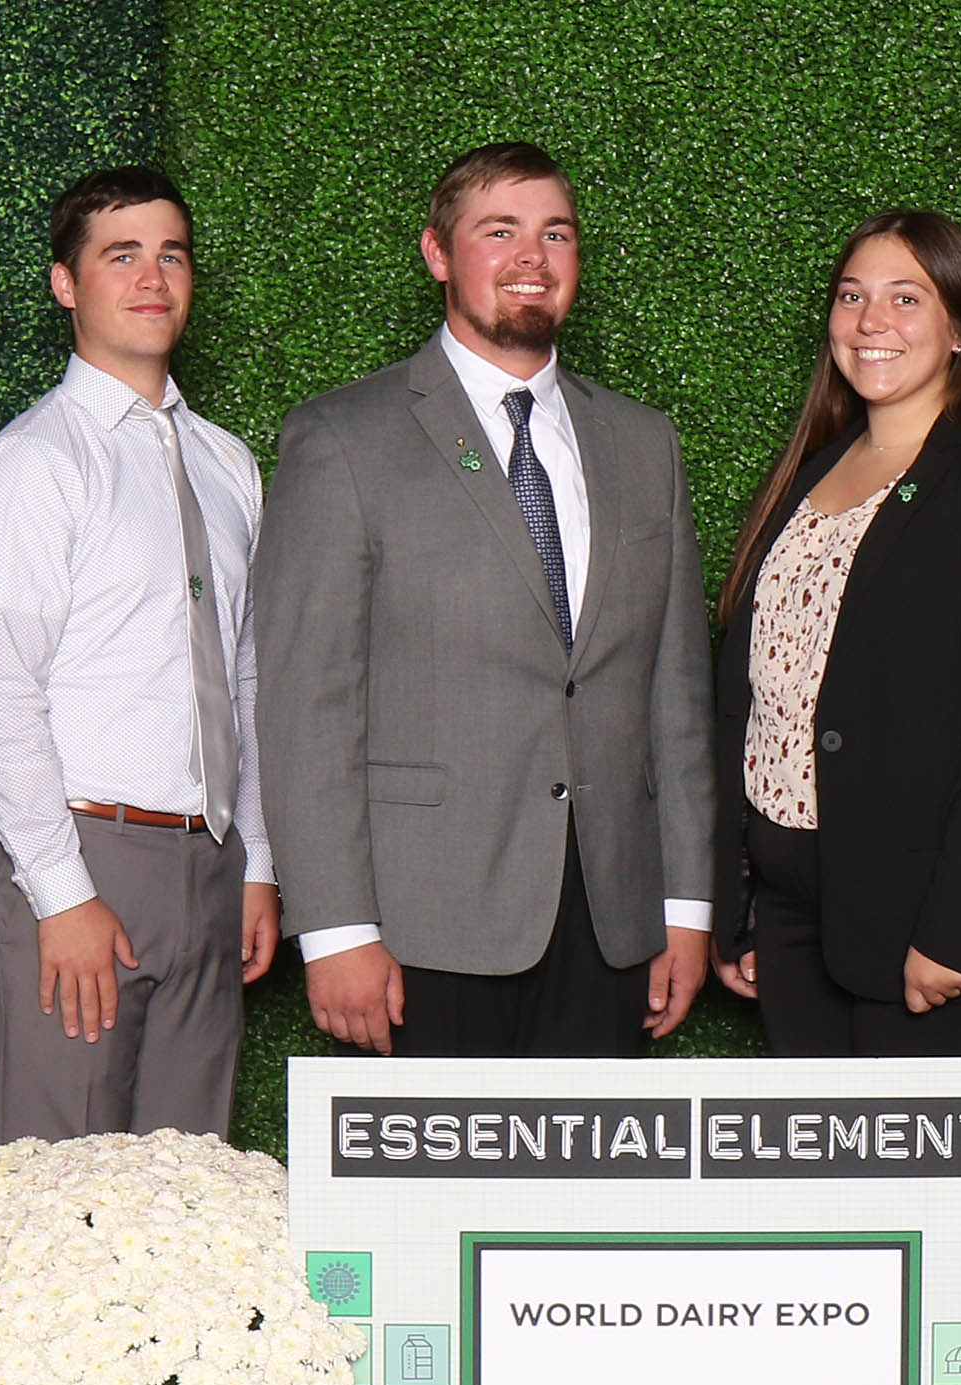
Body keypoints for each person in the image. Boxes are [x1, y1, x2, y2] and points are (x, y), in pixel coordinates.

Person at [253, 142, 715, 1058]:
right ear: (437, 253)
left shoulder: (641, 441)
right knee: (436, 1204)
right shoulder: (342, 437)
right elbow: (307, 703)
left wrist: (686, 906)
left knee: (591, 1202)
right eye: (498, 231)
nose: (531, 257)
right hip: (423, 923)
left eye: (556, 233)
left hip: (614, 922)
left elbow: (677, 696)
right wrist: (338, 930)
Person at [709, 211, 961, 1055]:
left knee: (938, 1195)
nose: (871, 322)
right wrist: (739, 897)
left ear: (960, 328)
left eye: (905, 298)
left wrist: (956, 932)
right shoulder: (812, 472)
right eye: (852, 296)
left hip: (942, 940)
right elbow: (756, 700)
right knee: (826, 1186)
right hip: (799, 925)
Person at [0, 167, 277, 1144]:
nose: (152, 277)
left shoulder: (226, 462)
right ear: (66, 284)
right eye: (120, 254)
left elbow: (242, 673)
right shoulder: (35, 463)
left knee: (188, 1190)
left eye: (170, 254)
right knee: (64, 1194)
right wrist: (63, 894)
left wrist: (255, 861)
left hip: (209, 868)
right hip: (83, 860)